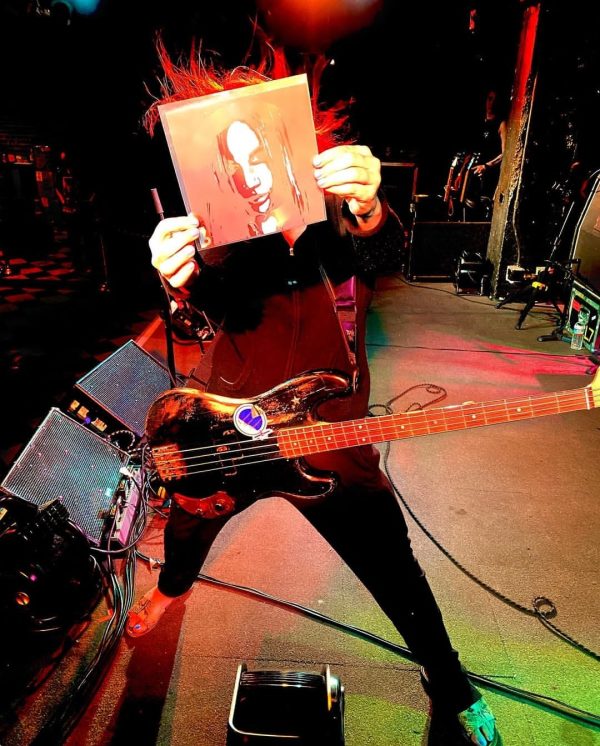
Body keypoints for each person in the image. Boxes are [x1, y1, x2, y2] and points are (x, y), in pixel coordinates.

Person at [126, 38, 500, 746]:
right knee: (189, 521)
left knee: (395, 569)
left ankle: (449, 680)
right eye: (232, 161)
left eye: (259, 153)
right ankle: (172, 588)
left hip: (328, 434)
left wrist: (372, 206)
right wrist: (177, 280)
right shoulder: (222, 229)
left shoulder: (334, 209)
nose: (250, 174)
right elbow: (207, 315)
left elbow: (383, 255)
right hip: (231, 426)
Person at [471, 89, 507, 209]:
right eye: (490, 99)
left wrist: (486, 166)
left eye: (495, 100)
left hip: (489, 177)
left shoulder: (501, 124)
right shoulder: (480, 122)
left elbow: (505, 153)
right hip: (474, 176)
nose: (492, 103)